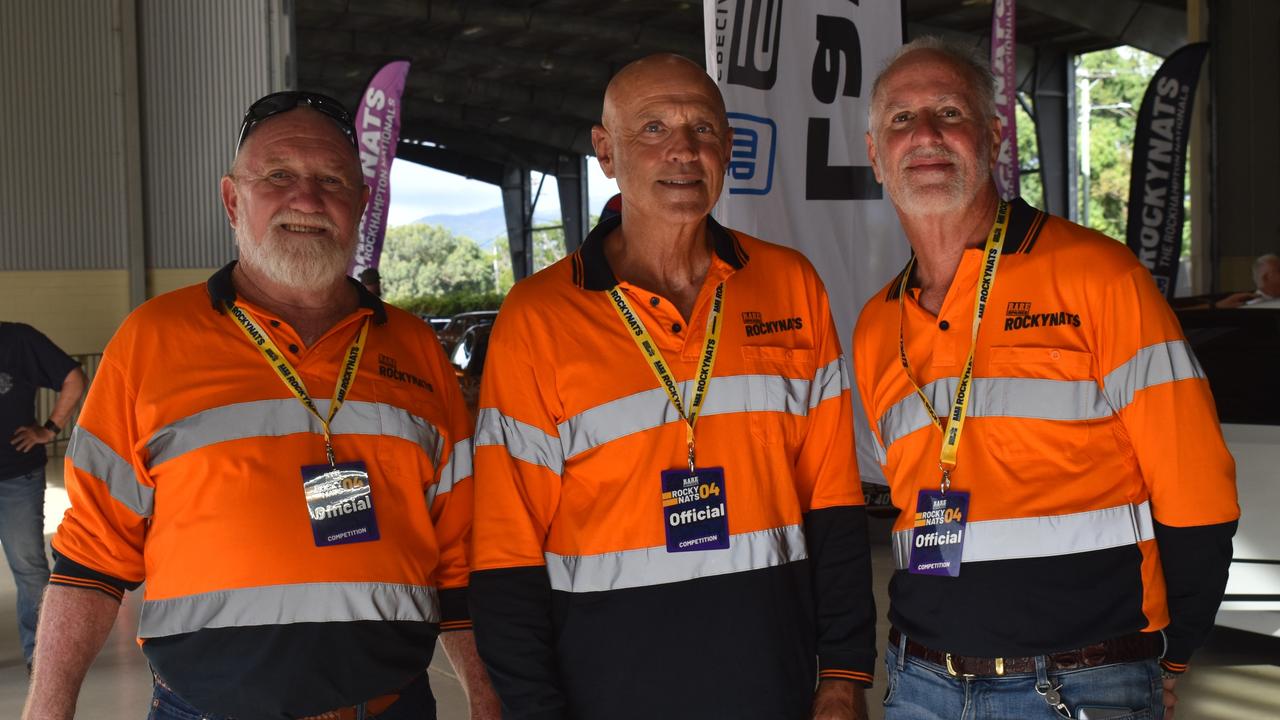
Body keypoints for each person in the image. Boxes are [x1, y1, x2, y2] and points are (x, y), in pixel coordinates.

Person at [23, 92, 497, 720]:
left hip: (391, 706)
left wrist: (490, 702)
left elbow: (459, 556)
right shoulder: (151, 341)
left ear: (358, 205)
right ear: (231, 200)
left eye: (331, 179)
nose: (306, 198)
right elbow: (89, 559)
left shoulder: (416, 349)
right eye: (278, 176)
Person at [469, 54, 877, 720]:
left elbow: (833, 501)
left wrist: (842, 672)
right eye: (653, 127)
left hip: (772, 686)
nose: (684, 150)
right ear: (605, 151)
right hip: (605, 694)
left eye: (703, 128)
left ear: (729, 146)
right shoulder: (538, 317)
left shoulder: (792, 285)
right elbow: (506, 546)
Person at [854, 38, 1238, 720]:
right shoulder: (876, 325)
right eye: (901, 120)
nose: (927, 135)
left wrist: (1172, 653)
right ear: (875, 154)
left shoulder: (1100, 275)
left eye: (949, 110)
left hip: (1078, 680)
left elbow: (1197, 485)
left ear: (995, 135)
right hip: (921, 681)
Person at [0, 323, 85, 670]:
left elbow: (73, 379)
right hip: (18, 475)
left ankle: (42, 654)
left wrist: (48, 430)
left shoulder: (18, 340)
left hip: (17, 475)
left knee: (29, 567)